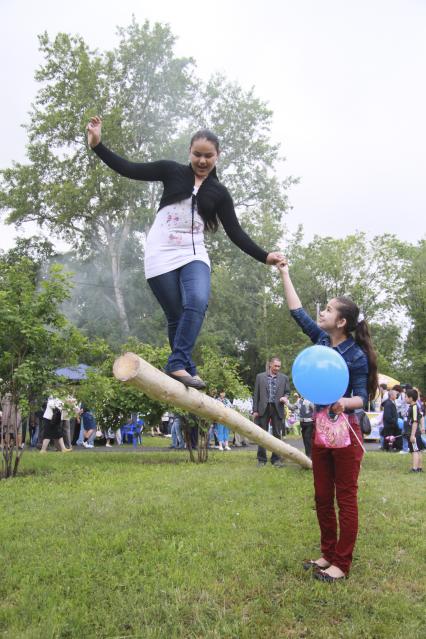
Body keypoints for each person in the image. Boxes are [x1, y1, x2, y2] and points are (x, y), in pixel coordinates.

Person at [87, 116, 283, 389]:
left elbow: (235, 232)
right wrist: (98, 145)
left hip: (193, 254)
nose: (202, 161)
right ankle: (186, 368)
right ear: (189, 152)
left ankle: (177, 363)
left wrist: (265, 256)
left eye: (209, 156)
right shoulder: (171, 171)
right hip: (160, 252)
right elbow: (129, 168)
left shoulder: (219, 193)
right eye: (197, 155)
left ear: (218, 156)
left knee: (198, 299)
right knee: (177, 316)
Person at [278, 259, 378, 582]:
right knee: (322, 495)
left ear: (342, 321)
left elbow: (364, 397)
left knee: (344, 496)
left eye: (329, 310)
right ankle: (327, 553)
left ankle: (342, 565)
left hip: (348, 432)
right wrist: (284, 272)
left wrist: (343, 402)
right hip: (321, 431)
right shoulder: (321, 343)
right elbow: (298, 313)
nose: (322, 313)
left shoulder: (356, 355)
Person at [252, 356, 290, 467]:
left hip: (278, 408)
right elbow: (256, 395)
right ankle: (261, 460)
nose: (277, 368)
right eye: (275, 366)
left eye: (279, 366)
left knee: (277, 434)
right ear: (270, 365)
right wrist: (255, 410)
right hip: (262, 408)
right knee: (261, 434)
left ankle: (276, 460)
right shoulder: (260, 377)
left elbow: (287, 392)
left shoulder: (284, 378)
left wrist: (285, 397)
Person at [404, 389, 425, 472]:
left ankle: (415, 468)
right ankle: (419, 468)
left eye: (406, 397)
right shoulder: (416, 407)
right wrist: (423, 427)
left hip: (413, 433)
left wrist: (412, 435)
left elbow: (415, 422)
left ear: (411, 398)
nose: (404, 398)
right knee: (418, 450)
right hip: (416, 432)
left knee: (414, 451)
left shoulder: (414, 407)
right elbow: (422, 417)